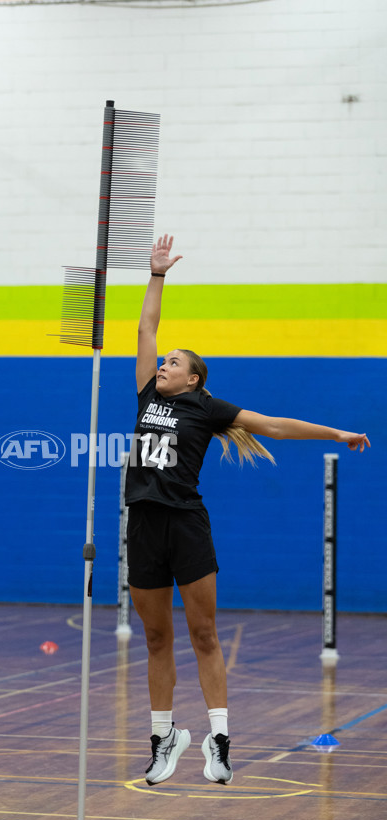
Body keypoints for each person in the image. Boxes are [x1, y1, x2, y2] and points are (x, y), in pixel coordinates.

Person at [126, 235, 370, 788]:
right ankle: (165, 738)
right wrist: (157, 275)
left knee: (203, 633)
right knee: (156, 638)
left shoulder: (208, 408)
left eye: (174, 362)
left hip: (186, 522)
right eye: (163, 361)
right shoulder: (147, 395)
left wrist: (337, 432)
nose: (163, 362)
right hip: (142, 523)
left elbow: (276, 426)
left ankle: (218, 740)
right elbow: (145, 330)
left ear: (194, 378)